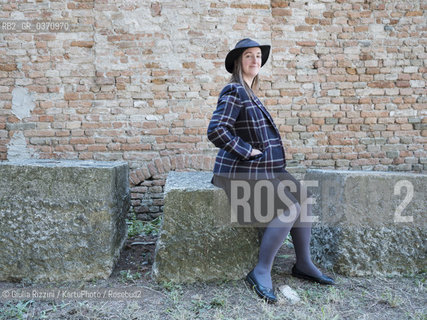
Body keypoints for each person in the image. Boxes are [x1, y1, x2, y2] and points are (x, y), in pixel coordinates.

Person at [207, 38, 334, 304]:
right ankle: (261, 270)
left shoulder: (251, 93)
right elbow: (217, 130)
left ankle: (303, 264)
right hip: (239, 171)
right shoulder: (234, 91)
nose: (256, 60)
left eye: (258, 56)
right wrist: (246, 150)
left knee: (303, 198)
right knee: (289, 206)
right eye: (249, 56)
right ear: (238, 63)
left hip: (264, 169)